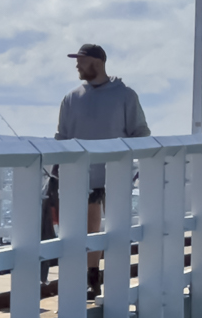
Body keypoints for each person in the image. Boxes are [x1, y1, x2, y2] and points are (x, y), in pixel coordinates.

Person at [54, 42, 150, 295]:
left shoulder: (125, 95)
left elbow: (140, 133)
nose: (77, 65)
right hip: (81, 176)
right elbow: (61, 138)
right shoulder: (71, 98)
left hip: (117, 174)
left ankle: (117, 279)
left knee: (117, 228)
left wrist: (132, 162)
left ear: (96, 62)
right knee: (88, 230)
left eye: (81, 60)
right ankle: (91, 278)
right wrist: (56, 172)